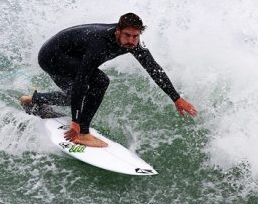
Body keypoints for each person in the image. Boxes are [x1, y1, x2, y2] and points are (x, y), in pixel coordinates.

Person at [20, 12, 197, 148]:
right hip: (52, 56)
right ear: (118, 31)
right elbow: (82, 79)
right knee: (100, 81)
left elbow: (153, 68)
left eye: (135, 36)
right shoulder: (100, 44)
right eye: (127, 35)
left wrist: (176, 98)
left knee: (72, 97)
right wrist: (76, 123)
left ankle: (34, 100)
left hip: (68, 56)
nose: (131, 41)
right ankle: (83, 132)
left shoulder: (134, 43)